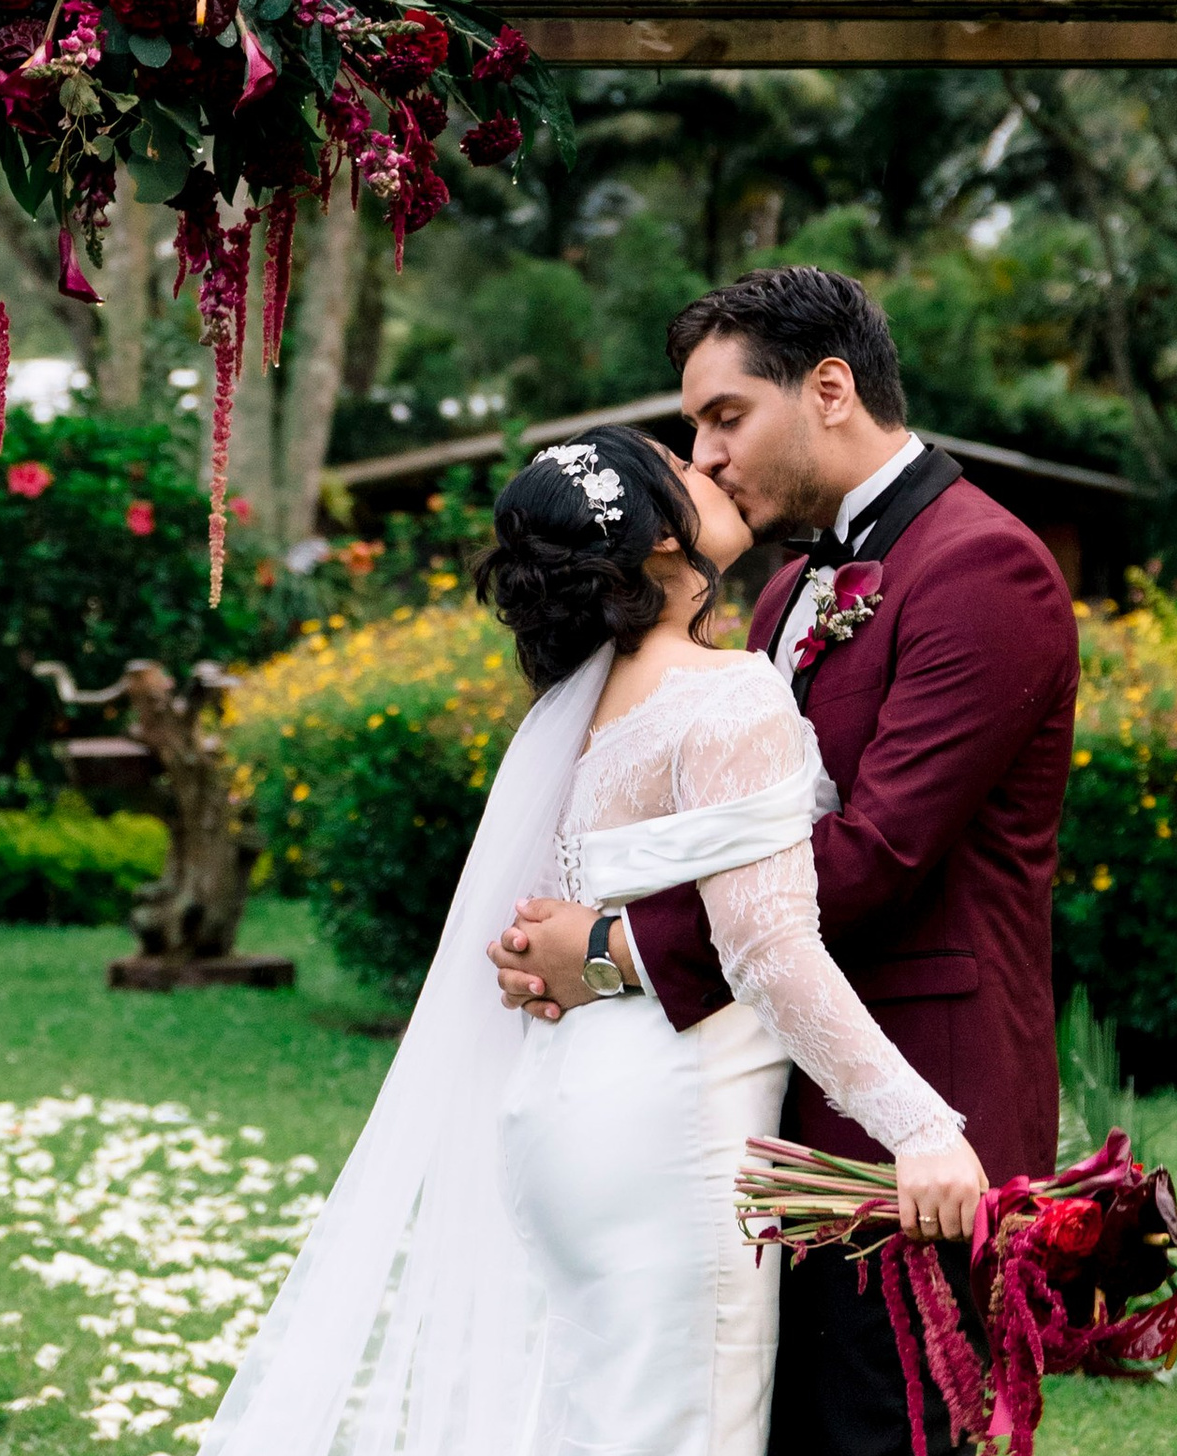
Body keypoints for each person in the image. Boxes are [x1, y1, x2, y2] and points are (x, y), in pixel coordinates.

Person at [199, 420, 988, 1456]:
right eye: (682, 465)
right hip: (672, 1127)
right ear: (660, 538)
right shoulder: (723, 693)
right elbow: (769, 950)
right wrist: (921, 1129)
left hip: (565, 1108)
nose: (708, 461)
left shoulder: (586, 710)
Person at [490, 266, 1077, 1456]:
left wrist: (612, 950)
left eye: (724, 416)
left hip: (916, 1098)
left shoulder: (983, 567)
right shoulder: (778, 596)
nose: (703, 457)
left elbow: (876, 853)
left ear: (828, 389)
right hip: (762, 1108)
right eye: (694, 426)